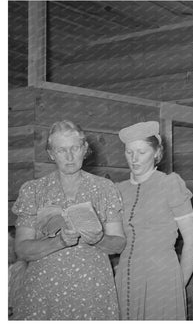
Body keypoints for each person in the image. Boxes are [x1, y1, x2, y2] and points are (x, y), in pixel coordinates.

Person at [12, 120, 126, 320]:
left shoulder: (105, 188)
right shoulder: (33, 190)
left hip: (93, 290)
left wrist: (98, 239)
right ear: (51, 154)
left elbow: (118, 243)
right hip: (44, 293)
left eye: (75, 148)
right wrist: (60, 241)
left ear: (85, 149)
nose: (70, 156)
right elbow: (21, 249)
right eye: (61, 150)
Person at [115, 121, 193, 320]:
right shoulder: (119, 189)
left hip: (162, 277)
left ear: (156, 153)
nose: (134, 159)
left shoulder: (169, 184)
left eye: (141, 152)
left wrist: (177, 284)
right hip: (127, 277)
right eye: (129, 152)